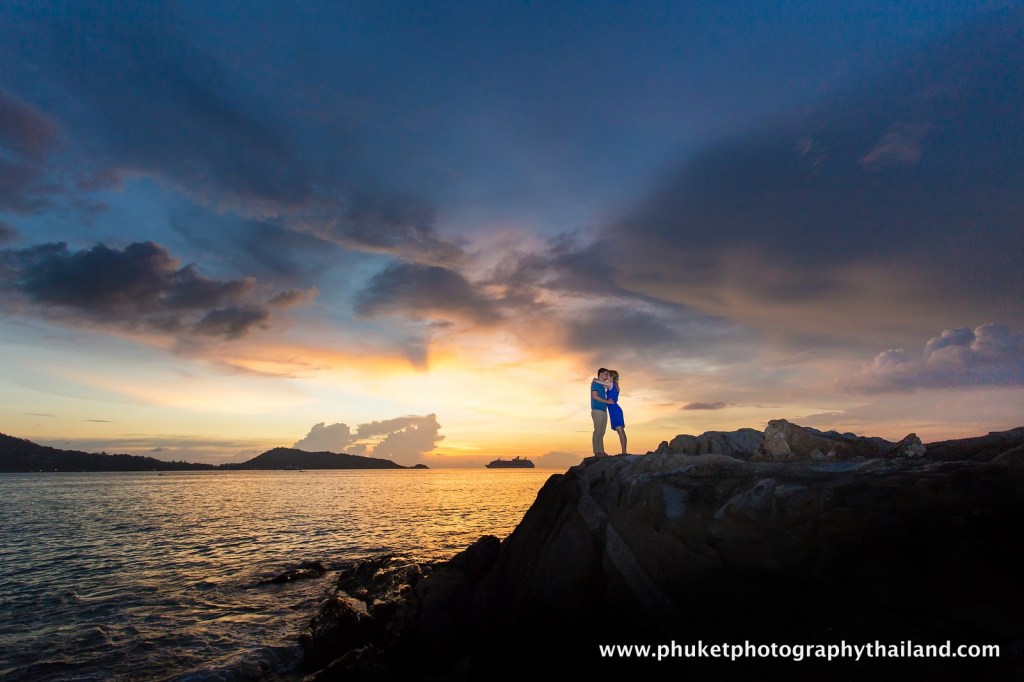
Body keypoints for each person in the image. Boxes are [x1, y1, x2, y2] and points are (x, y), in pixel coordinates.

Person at [590, 368, 614, 457]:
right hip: (597, 410)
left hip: (603, 410)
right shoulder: (595, 384)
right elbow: (595, 396)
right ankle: (597, 451)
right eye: (606, 374)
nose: (607, 376)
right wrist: (607, 401)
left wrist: (609, 379)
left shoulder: (602, 385)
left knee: (602, 431)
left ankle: (601, 451)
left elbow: (611, 384)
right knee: (598, 431)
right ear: (600, 374)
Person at [606, 370, 627, 455]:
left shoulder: (610, 384)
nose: (606, 376)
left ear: (611, 376)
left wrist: (595, 379)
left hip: (614, 409)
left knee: (620, 430)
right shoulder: (615, 385)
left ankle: (624, 452)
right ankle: (624, 451)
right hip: (615, 409)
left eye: (608, 375)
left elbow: (597, 381)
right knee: (620, 431)